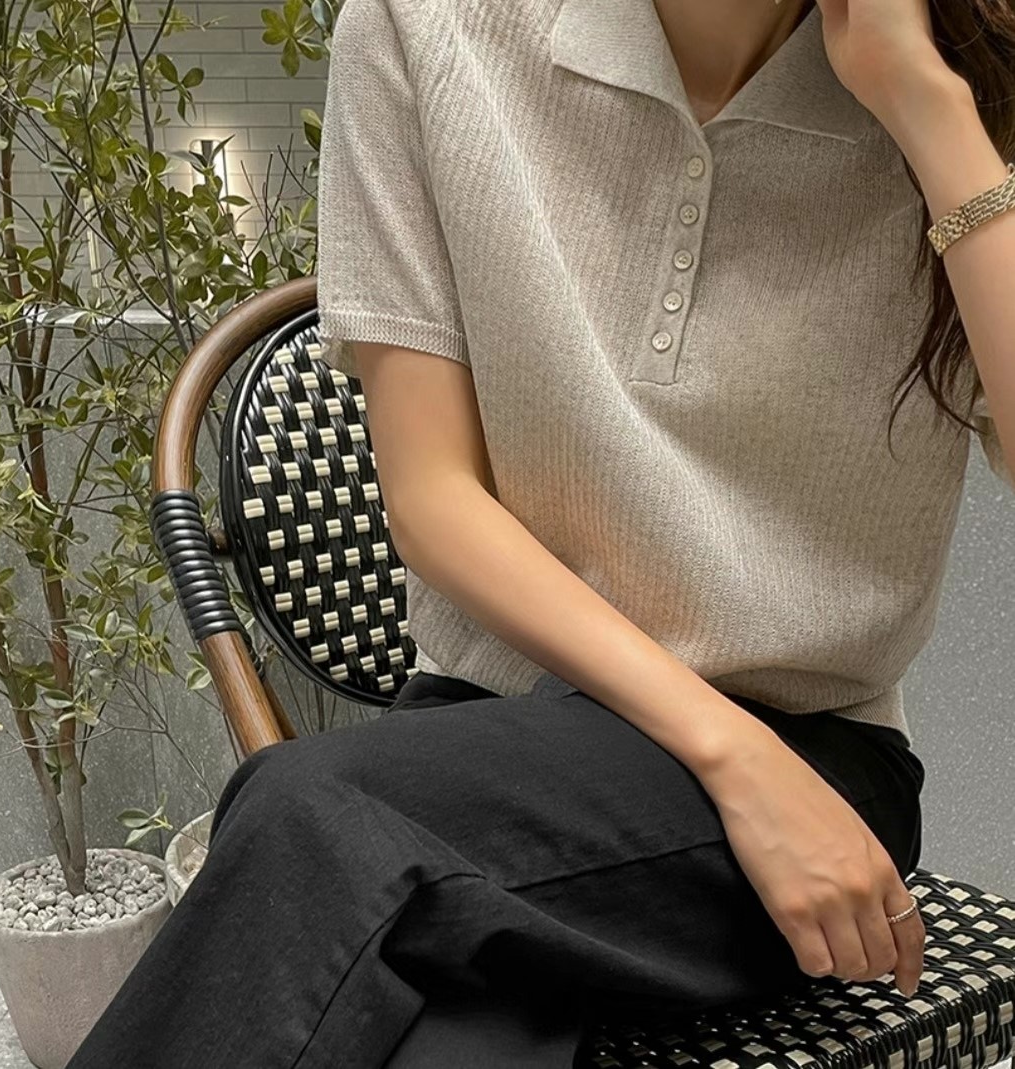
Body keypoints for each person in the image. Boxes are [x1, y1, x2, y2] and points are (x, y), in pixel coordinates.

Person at [65, 0, 1015, 1065]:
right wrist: (732, 753)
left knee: (309, 811)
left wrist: (927, 107)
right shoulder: (427, 27)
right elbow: (433, 500)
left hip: (814, 768)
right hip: (507, 729)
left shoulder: (964, 80)